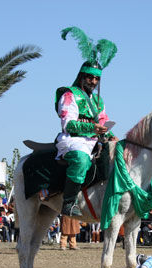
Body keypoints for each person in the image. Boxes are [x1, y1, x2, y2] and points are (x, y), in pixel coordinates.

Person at [55, 27, 118, 220]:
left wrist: (108, 134)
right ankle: (68, 202)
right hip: (72, 141)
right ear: (82, 76)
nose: (93, 81)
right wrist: (93, 128)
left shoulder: (99, 101)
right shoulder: (69, 95)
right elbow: (68, 124)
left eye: (96, 78)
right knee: (82, 160)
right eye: (90, 77)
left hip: (94, 142)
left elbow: (103, 122)